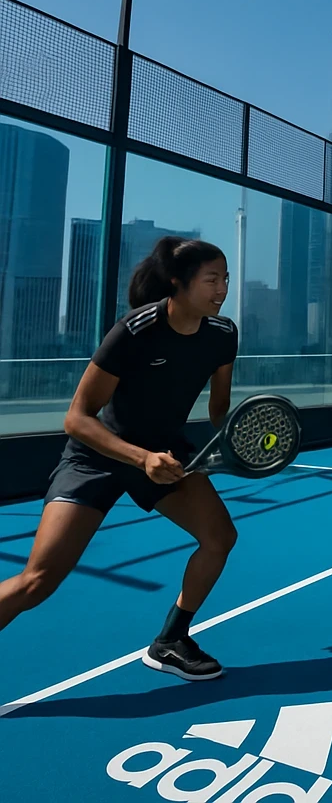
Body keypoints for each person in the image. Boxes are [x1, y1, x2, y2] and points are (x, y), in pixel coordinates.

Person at [0, 237, 240, 682]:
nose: (222, 289)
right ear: (178, 283)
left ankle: (170, 641)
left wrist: (242, 438)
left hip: (165, 454)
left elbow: (219, 409)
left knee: (219, 538)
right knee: (38, 580)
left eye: (225, 278)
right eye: (211, 280)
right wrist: (141, 457)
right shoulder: (136, 330)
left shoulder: (223, 335)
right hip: (97, 455)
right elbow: (76, 418)